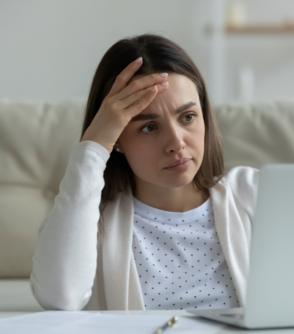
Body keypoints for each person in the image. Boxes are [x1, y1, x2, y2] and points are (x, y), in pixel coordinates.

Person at [30, 33, 259, 311]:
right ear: (117, 141)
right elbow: (59, 298)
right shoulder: (88, 220)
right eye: (149, 127)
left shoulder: (255, 193)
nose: (177, 143)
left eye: (188, 117)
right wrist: (94, 146)